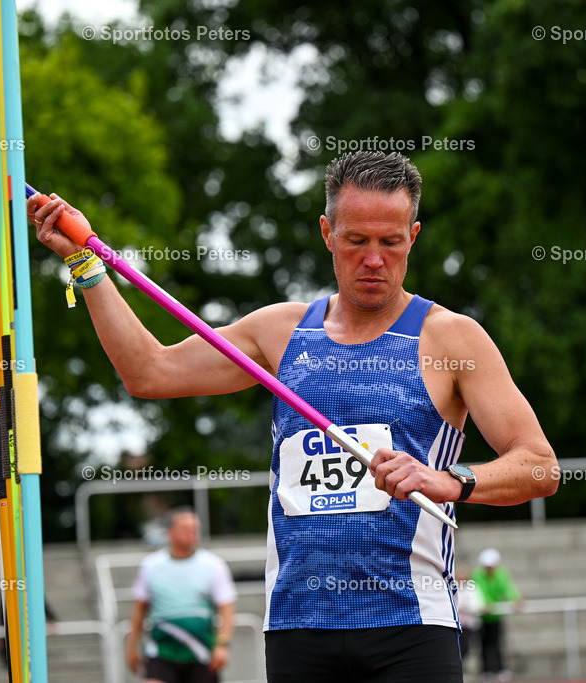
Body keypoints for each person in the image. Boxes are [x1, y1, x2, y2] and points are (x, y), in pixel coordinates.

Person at [30, 151, 557, 681]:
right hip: (297, 628)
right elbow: (149, 372)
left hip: (411, 627)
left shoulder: (451, 338)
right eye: (356, 241)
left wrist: (447, 480)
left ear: (412, 237)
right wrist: (87, 267)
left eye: (390, 242)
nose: (373, 259)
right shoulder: (280, 332)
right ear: (328, 232)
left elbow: (539, 466)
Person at [126, 508, 236, 683]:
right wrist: (131, 646)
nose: (192, 534)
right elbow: (139, 609)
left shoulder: (214, 565)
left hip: (201, 651)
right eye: (185, 529)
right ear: (170, 532)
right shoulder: (151, 565)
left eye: (195, 529)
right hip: (162, 650)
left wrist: (222, 644)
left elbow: (227, 609)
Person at [471, 549, 522, 681]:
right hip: (481, 617)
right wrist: (485, 604)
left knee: (497, 643)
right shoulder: (477, 575)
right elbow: (478, 591)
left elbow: (508, 588)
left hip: (496, 616)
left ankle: (500, 669)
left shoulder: (501, 574)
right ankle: (485, 670)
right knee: (483, 644)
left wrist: (515, 599)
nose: (489, 569)